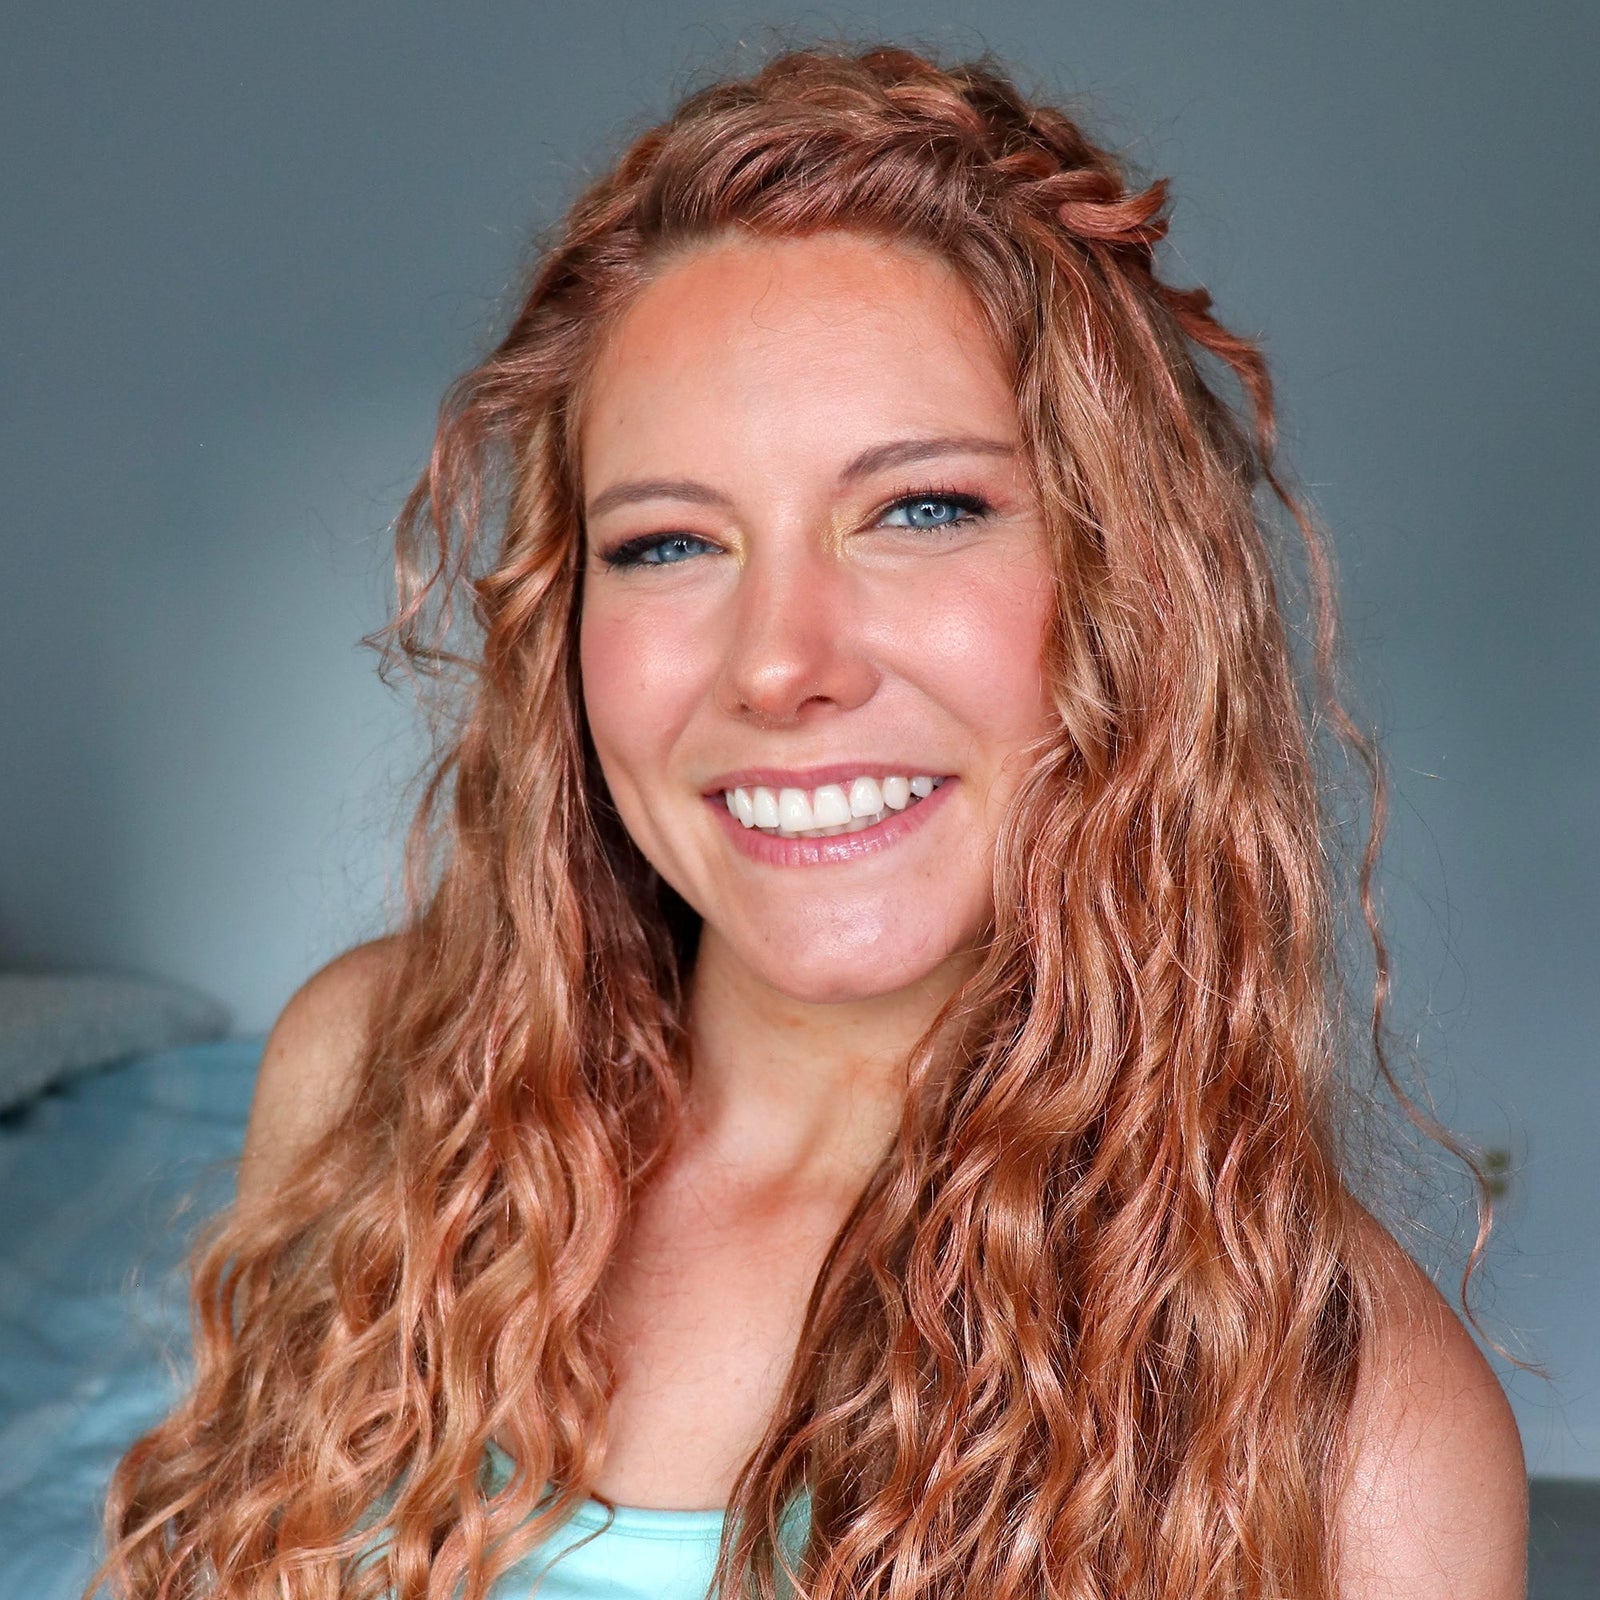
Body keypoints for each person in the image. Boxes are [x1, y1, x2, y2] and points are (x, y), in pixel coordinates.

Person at [98, 45, 1527, 1600]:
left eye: (921, 511)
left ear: (1132, 597)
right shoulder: (371, 1077)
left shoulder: (1353, 1420)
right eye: (667, 543)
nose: (783, 664)